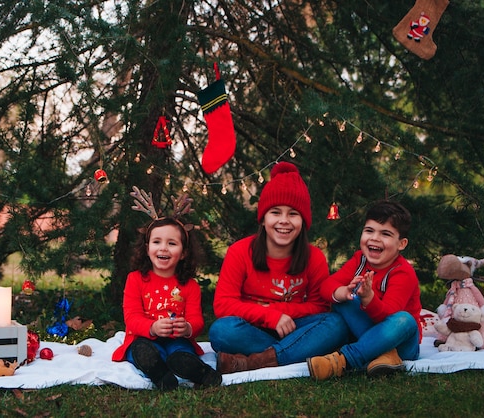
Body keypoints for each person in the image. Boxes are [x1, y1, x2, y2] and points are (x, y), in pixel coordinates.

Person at [209, 162, 350, 373]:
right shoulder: (240, 251)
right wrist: (269, 316)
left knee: (336, 324)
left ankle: (255, 361)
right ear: (264, 218)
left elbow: (320, 306)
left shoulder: (314, 257)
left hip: (293, 328)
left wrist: (280, 313)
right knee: (222, 331)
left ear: (303, 220)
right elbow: (223, 304)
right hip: (252, 327)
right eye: (275, 212)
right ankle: (293, 353)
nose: (284, 221)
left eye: (293, 214)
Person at [306, 200, 422, 380]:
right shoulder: (360, 260)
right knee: (345, 299)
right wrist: (343, 292)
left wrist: (369, 299)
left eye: (385, 234)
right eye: (369, 231)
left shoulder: (402, 272)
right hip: (368, 334)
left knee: (405, 320)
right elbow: (327, 286)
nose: (374, 238)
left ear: (401, 244)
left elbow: (389, 316)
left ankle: (341, 362)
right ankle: (384, 356)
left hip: (400, 343)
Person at [112, 216, 221, 390]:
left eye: (172, 243)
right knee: (142, 351)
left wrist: (187, 328)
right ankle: (160, 374)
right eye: (157, 242)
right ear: (147, 249)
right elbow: (131, 318)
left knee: (181, 353)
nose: (163, 248)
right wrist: (152, 327)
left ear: (184, 252)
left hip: (177, 340)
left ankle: (200, 372)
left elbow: (197, 321)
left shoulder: (190, 285)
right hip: (144, 338)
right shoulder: (135, 279)